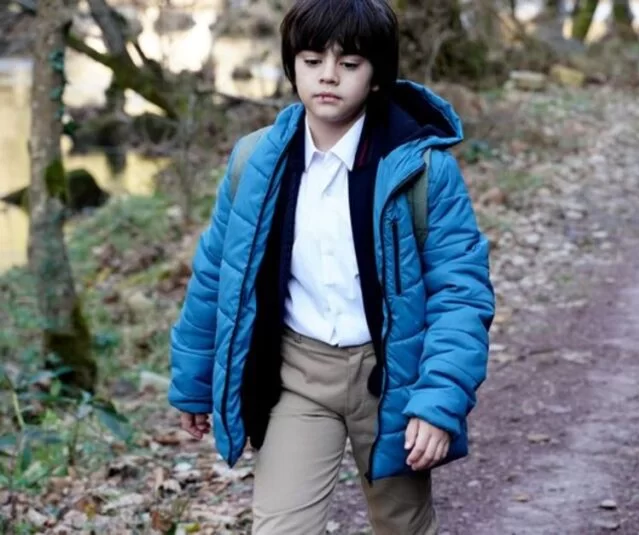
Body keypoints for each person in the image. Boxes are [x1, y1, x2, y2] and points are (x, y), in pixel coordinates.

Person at [167, 0, 495, 532]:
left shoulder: (423, 170)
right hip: (297, 373)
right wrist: (194, 380)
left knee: (402, 524)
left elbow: (460, 293)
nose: (328, 75)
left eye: (349, 63)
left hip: (391, 375)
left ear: (376, 75)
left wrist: (438, 401)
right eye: (313, 59)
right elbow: (215, 277)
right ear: (292, 65)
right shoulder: (255, 162)